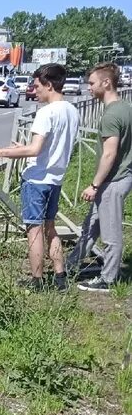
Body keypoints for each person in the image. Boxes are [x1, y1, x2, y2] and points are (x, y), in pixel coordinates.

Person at [0, 63, 79, 291]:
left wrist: (1, 153)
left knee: (34, 231)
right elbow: (50, 147)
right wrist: (23, 148)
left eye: (37, 86)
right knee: (50, 228)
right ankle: (60, 277)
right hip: (55, 179)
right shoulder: (71, 111)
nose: (33, 90)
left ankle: (37, 281)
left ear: (49, 85)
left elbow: (35, 150)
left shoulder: (46, 112)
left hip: (37, 181)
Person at [71, 63, 132, 292]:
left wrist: (94, 185)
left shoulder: (111, 115)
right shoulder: (126, 108)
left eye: (92, 83)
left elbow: (109, 153)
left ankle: (107, 280)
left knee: (110, 232)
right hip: (120, 177)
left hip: (112, 182)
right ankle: (71, 265)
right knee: (91, 226)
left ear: (106, 83)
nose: (89, 88)